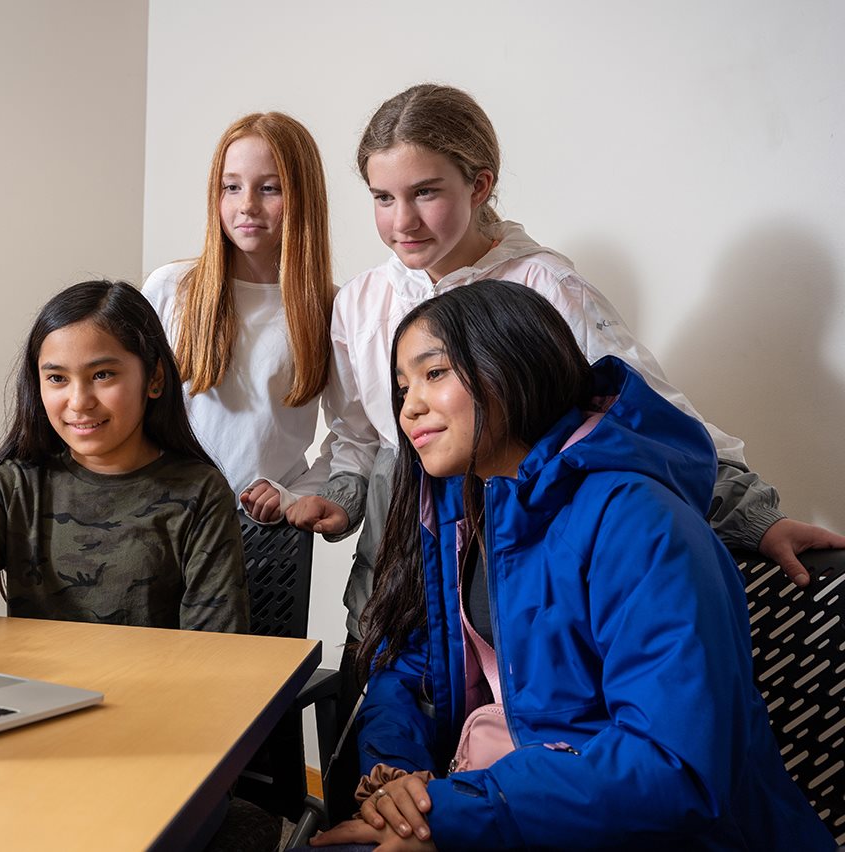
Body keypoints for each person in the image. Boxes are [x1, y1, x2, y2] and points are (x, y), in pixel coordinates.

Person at [286, 86, 845, 814]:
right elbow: (362, 443)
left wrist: (755, 516)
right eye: (382, 198)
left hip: (543, 725)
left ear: (479, 184)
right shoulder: (363, 302)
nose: (401, 221)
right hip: (413, 575)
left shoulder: (547, 290)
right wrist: (398, 778)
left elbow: (655, 418)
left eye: (424, 193)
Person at [307, 280, 834, 851]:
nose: (408, 407)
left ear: (514, 363)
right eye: (403, 386)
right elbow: (410, 665)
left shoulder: (639, 522)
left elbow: (672, 766)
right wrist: (397, 775)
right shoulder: (468, 504)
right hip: (518, 801)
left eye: (434, 374)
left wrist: (457, 812)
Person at [0, 280, 249, 664]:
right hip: (37, 699)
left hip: (154, 705)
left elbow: (217, 650)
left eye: (102, 375)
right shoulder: (17, 485)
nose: (79, 402)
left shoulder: (199, 493)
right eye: (57, 378)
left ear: (155, 378)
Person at [143, 111, 335, 523]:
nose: (247, 205)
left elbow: (352, 438)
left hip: (264, 537)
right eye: (231, 187)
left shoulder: (330, 308)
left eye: (269, 188)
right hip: (167, 521)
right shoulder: (170, 288)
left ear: (304, 197)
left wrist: (292, 495)